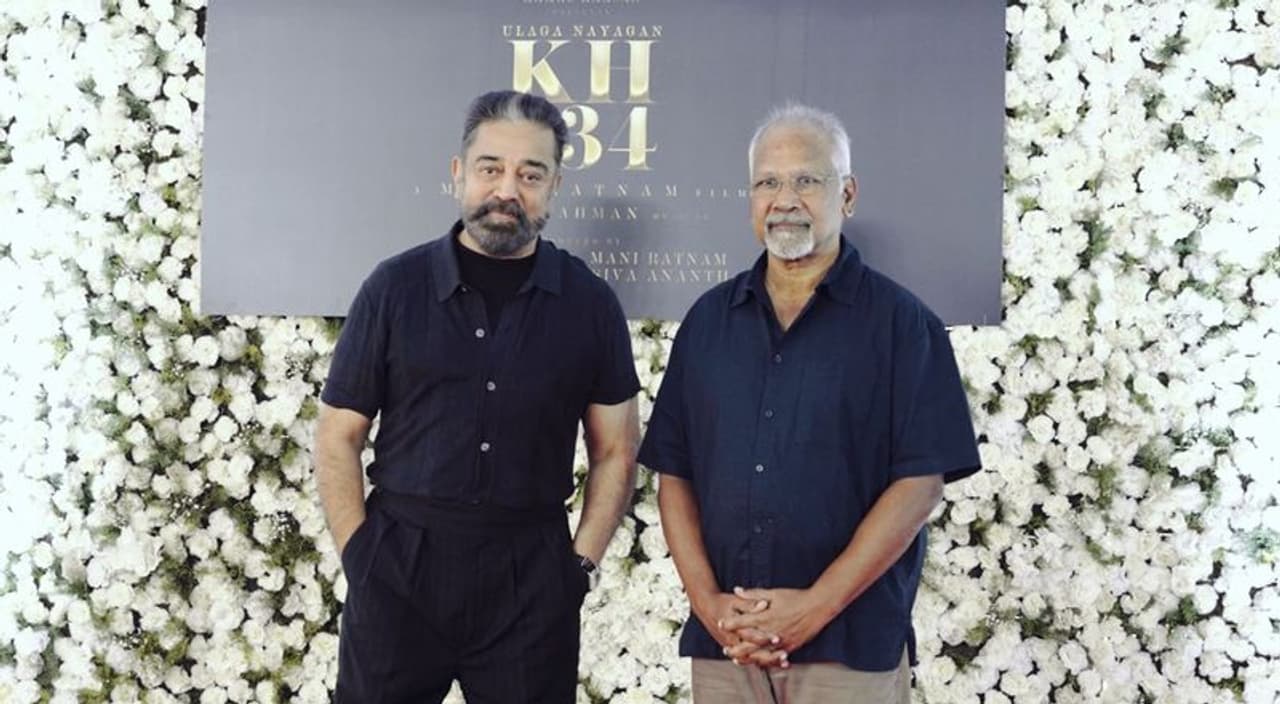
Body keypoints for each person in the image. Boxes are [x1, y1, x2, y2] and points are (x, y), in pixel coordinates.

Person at [638, 103, 981, 703]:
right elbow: (676, 474)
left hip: (849, 647)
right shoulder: (708, 322)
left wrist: (814, 608)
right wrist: (708, 605)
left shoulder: (903, 325)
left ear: (846, 195)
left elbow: (920, 485)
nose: (784, 199)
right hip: (727, 647)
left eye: (806, 180)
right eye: (767, 182)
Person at [314, 89, 641, 703]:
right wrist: (361, 556)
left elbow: (616, 450)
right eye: (491, 169)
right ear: (459, 173)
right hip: (399, 565)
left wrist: (578, 570)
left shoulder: (590, 303)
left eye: (530, 174)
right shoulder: (394, 288)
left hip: (532, 576)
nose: (507, 190)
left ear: (554, 186)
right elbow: (338, 434)